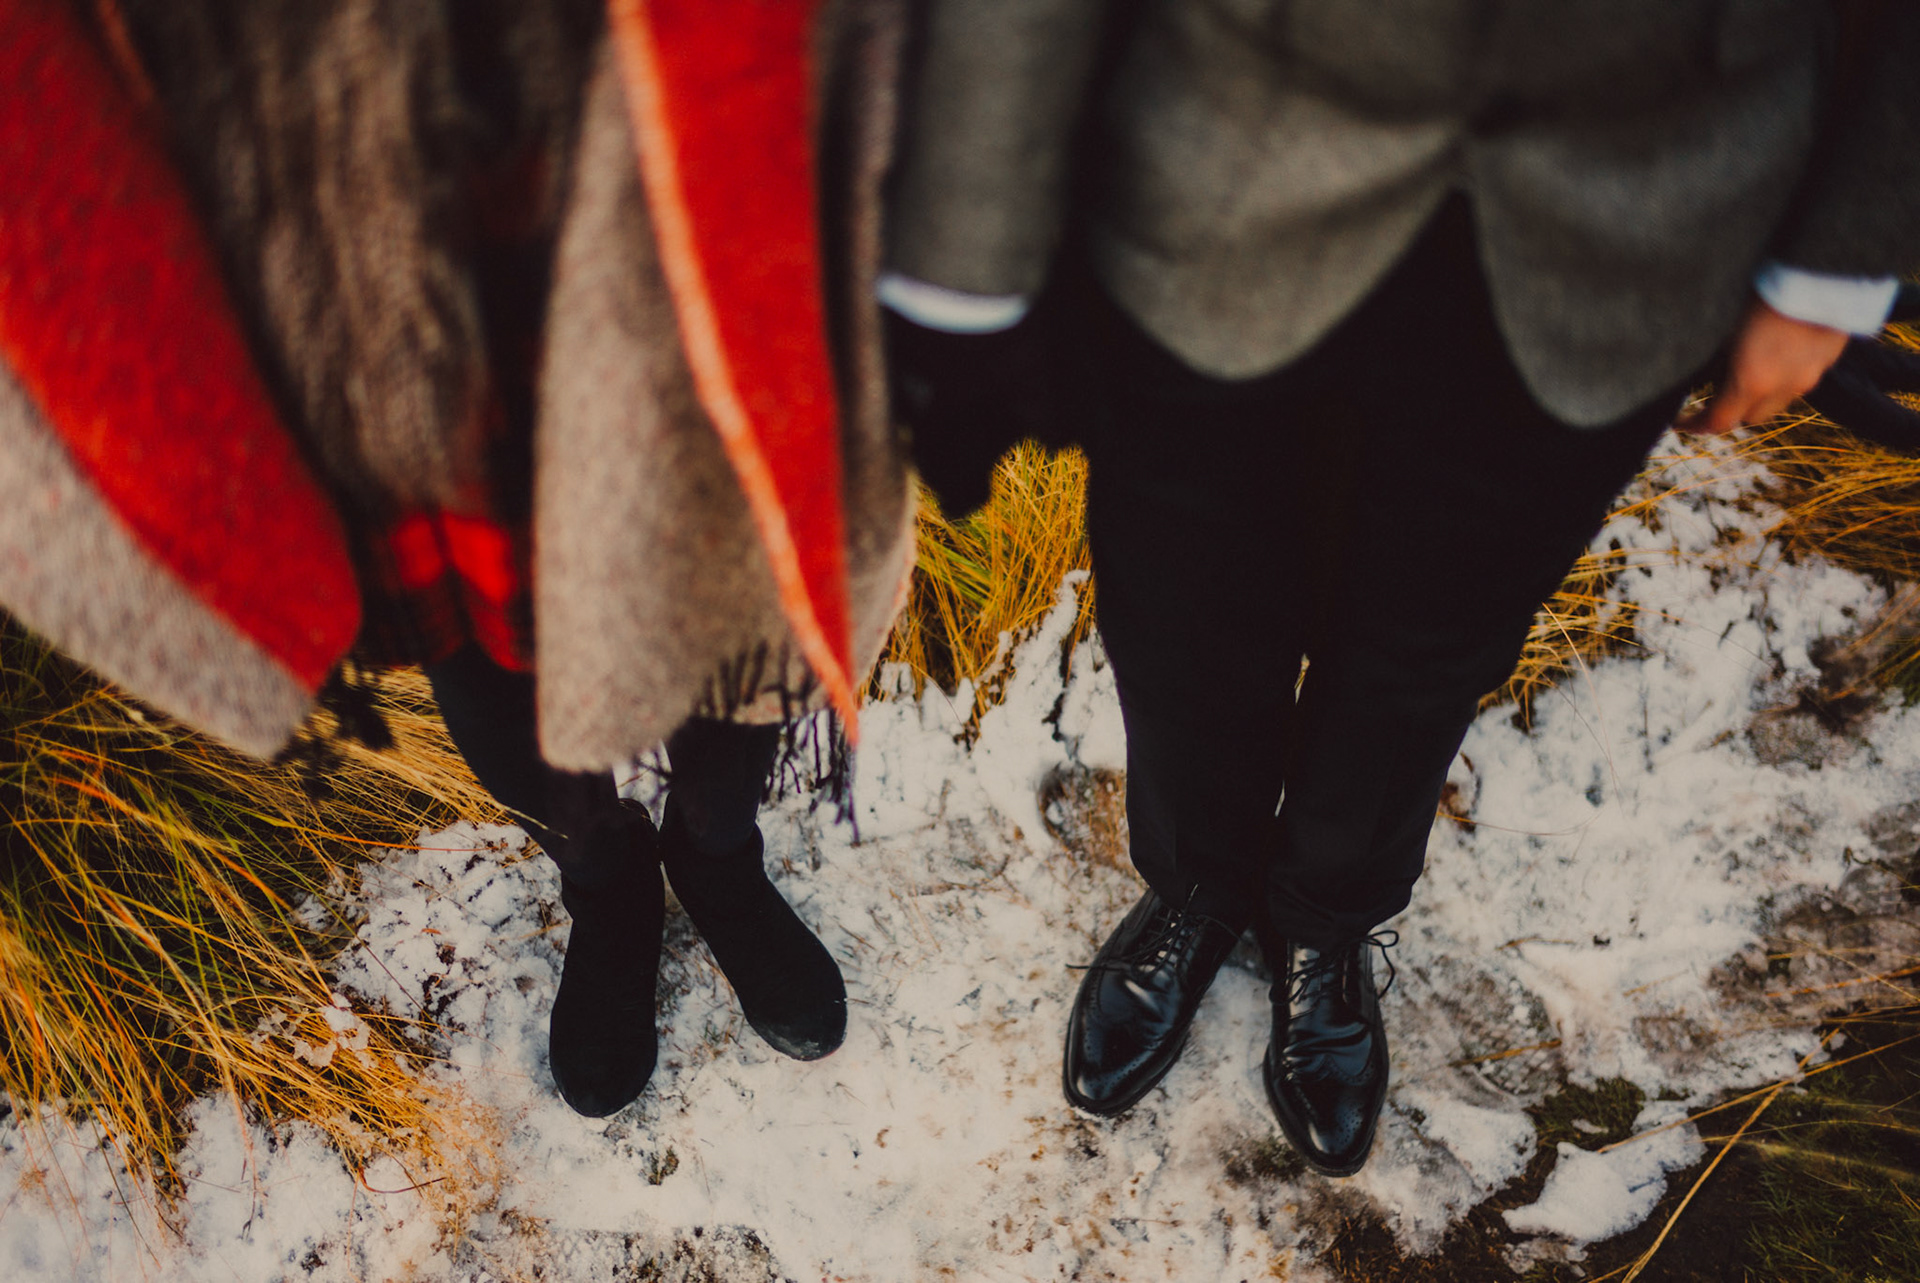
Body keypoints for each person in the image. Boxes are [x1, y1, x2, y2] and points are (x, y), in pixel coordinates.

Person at [882, 0, 1920, 1175]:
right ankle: (1198, 882)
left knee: (1427, 652)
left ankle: (1326, 919)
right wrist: (962, 261)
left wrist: (1839, 253)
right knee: (1184, 619)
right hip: (1220, 168)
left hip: (1638, 213)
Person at [0, 0, 912, 1117]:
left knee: (731, 579)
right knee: (484, 655)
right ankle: (604, 878)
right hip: (335, 192)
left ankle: (716, 853)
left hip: (654, 133)